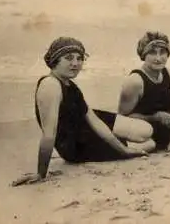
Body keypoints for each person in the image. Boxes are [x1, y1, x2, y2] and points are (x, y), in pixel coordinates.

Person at [14, 37, 155, 186]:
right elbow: (49, 135)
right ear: (55, 60)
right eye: (68, 58)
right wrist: (40, 173)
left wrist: (123, 150)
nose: (75, 63)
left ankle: (126, 141)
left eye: (79, 58)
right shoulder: (50, 85)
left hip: (84, 129)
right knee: (150, 144)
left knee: (146, 131)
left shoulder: (69, 85)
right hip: (77, 147)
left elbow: (95, 121)